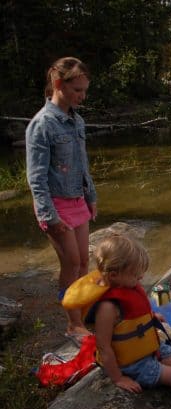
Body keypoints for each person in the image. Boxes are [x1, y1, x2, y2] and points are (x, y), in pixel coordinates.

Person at [64, 234, 171, 394]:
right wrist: (118, 378)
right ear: (114, 275)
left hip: (150, 348)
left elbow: (133, 317)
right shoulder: (108, 308)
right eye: (136, 275)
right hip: (133, 364)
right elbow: (103, 347)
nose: (141, 277)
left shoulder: (128, 287)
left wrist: (151, 317)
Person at [25, 57, 97, 342]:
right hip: (55, 205)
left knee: (84, 262)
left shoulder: (77, 121)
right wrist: (49, 216)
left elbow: (83, 164)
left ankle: (84, 311)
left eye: (84, 90)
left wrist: (91, 196)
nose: (82, 96)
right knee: (71, 263)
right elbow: (36, 178)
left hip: (78, 199)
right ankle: (73, 324)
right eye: (77, 90)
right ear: (58, 84)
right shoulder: (42, 125)